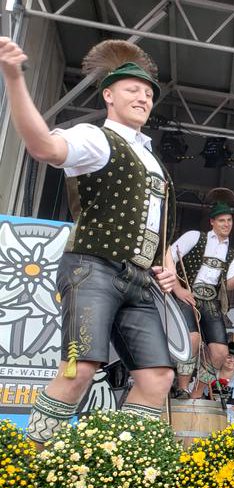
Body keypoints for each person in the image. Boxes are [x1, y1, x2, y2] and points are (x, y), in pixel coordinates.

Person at [1, 38, 180, 445]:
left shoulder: (153, 159)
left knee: (157, 378)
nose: (143, 97)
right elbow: (42, 146)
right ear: (109, 95)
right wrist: (13, 78)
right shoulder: (95, 137)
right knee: (80, 367)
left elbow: (156, 223)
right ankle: (26, 462)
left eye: (149, 93)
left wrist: (166, 265)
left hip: (140, 282)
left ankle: (116, 465)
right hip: (92, 268)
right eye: (133, 90)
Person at [169, 188, 234, 399]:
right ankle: (182, 387)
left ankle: (196, 393)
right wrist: (178, 288)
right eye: (222, 220)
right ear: (212, 222)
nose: (226, 224)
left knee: (220, 353)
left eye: (229, 220)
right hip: (186, 295)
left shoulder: (233, 255)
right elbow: (168, 256)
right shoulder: (194, 237)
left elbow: (230, 284)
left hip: (211, 300)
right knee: (193, 339)